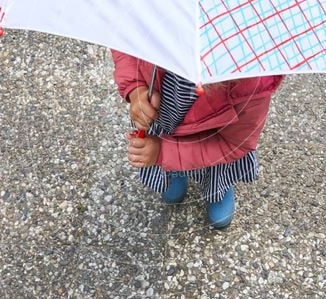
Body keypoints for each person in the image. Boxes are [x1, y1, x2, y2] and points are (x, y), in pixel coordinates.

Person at [111, 50, 283, 229]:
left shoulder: (251, 80)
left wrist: (161, 152)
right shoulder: (154, 27)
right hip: (165, 115)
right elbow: (125, 43)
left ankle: (218, 188)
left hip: (215, 140)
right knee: (169, 165)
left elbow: (233, 144)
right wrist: (136, 88)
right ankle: (173, 172)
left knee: (214, 164)